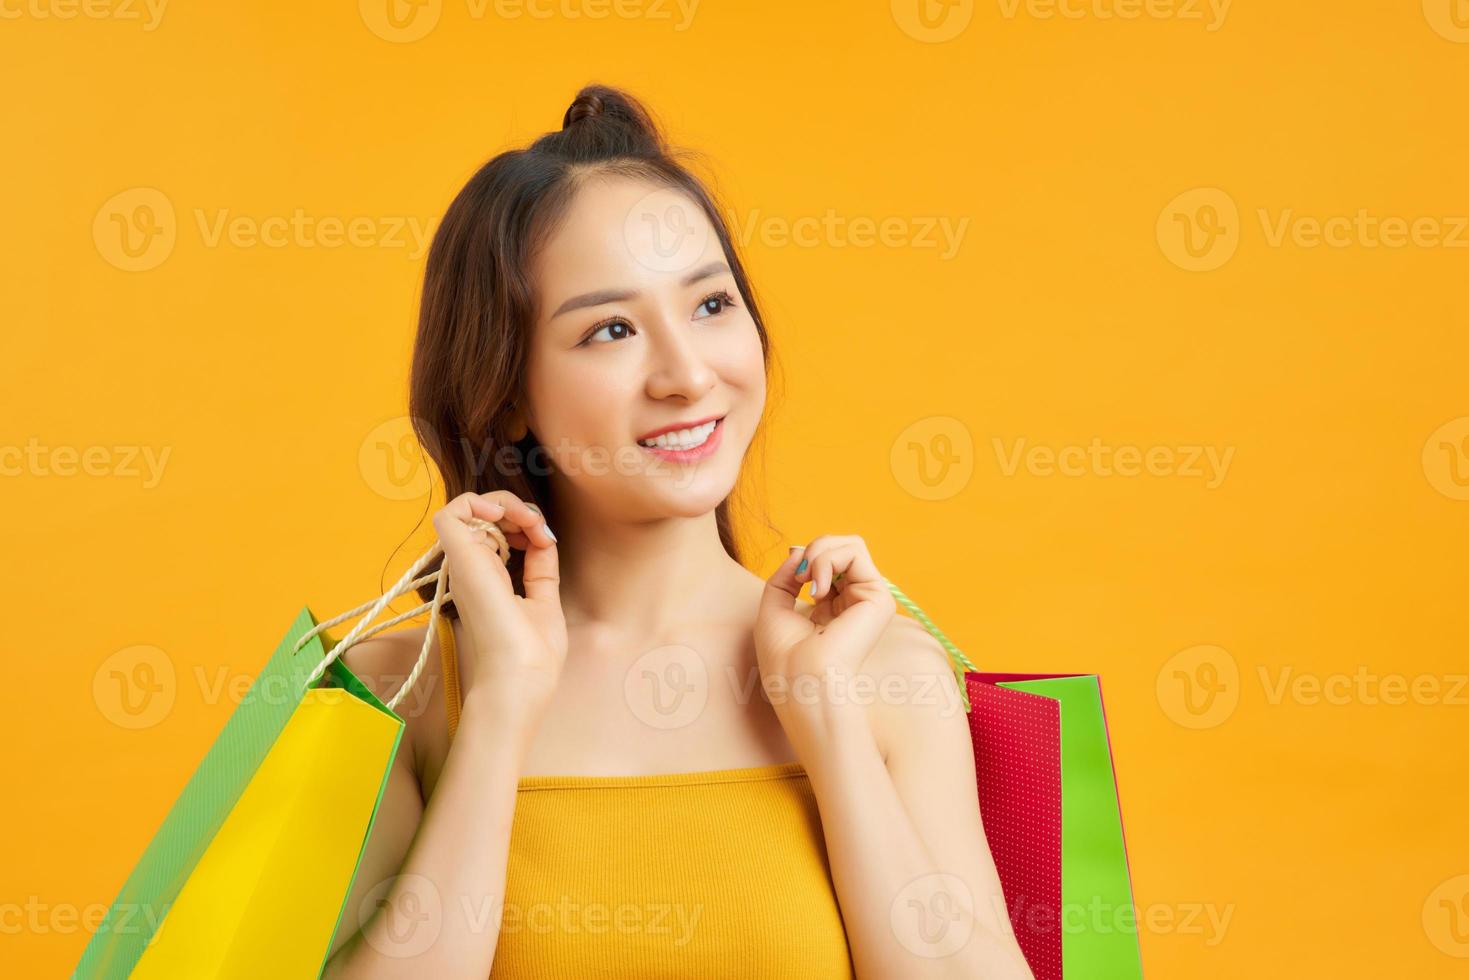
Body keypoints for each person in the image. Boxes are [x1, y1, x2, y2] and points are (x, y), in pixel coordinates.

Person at [321, 83, 1033, 979]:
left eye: (709, 305)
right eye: (611, 329)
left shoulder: (881, 672)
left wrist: (827, 723)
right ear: (504, 401)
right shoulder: (400, 690)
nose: (688, 376)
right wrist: (502, 705)